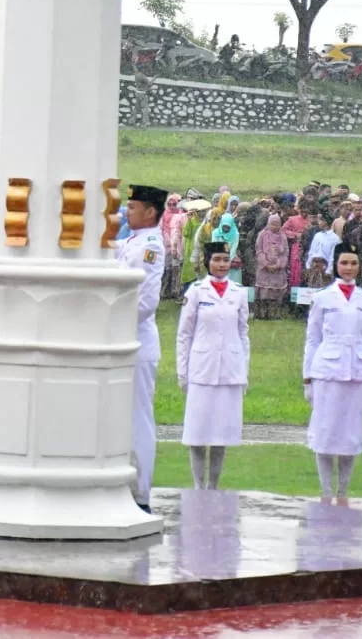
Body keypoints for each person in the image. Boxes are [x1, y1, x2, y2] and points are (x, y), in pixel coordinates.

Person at [303, 243, 362, 506]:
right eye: (344, 263)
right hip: (327, 371)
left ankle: (343, 492)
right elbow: (312, 339)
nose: (348, 268)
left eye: (353, 263)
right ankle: (325, 491)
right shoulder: (322, 298)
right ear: (336, 265)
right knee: (326, 433)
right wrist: (307, 378)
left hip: (358, 372)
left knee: (350, 435)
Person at [176, 241, 250, 490]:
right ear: (208, 262)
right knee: (197, 434)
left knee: (221, 434)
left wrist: (244, 370)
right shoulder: (196, 291)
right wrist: (182, 371)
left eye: (225, 260)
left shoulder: (238, 293)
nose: (221, 264)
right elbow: (184, 334)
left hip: (229, 369)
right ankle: (198, 486)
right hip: (202, 368)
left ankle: (213, 487)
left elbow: (243, 333)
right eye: (217, 259)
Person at [119, 184, 168, 514]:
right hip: (123, 342)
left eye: (133, 207)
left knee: (137, 420)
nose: (127, 211)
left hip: (136, 341)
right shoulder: (134, 241)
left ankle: (141, 493)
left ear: (150, 212)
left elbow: (145, 303)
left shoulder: (151, 247)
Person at [254, 214, 289, 319]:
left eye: (277, 224)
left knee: (276, 294)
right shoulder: (262, 235)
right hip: (264, 269)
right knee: (264, 294)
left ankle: (274, 315)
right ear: (268, 224)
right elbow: (258, 250)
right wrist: (265, 263)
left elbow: (285, 252)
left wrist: (279, 264)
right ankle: (262, 315)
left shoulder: (283, 237)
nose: (274, 227)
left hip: (278, 270)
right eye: (272, 224)